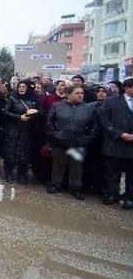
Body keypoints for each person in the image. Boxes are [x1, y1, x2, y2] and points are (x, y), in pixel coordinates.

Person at [46, 85, 98, 200]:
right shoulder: (57, 106)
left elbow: (94, 125)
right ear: (68, 94)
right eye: (77, 93)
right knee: (58, 165)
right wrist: (55, 135)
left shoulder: (88, 108)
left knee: (76, 167)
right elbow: (49, 121)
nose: (81, 95)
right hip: (60, 142)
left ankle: (76, 188)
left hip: (78, 142)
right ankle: (55, 184)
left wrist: (87, 138)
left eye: (82, 93)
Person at [99, 77, 133, 210]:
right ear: (127, 88)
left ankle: (129, 197)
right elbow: (104, 121)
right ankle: (111, 194)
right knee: (112, 171)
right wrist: (120, 134)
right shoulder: (110, 102)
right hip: (114, 142)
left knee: (131, 173)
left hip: (131, 145)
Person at [3, 80, 40, 183]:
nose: (21, 88)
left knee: (24, 154)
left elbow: (41, 113)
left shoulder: (35, 99)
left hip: (27, 131)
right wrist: (19, 117)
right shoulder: (13, 98)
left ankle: (22, 174)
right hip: (13, 130)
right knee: (10, 153)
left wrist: (35, 112)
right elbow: (5, 112)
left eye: (24, 86)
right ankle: (8, 174)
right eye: (19, 86)